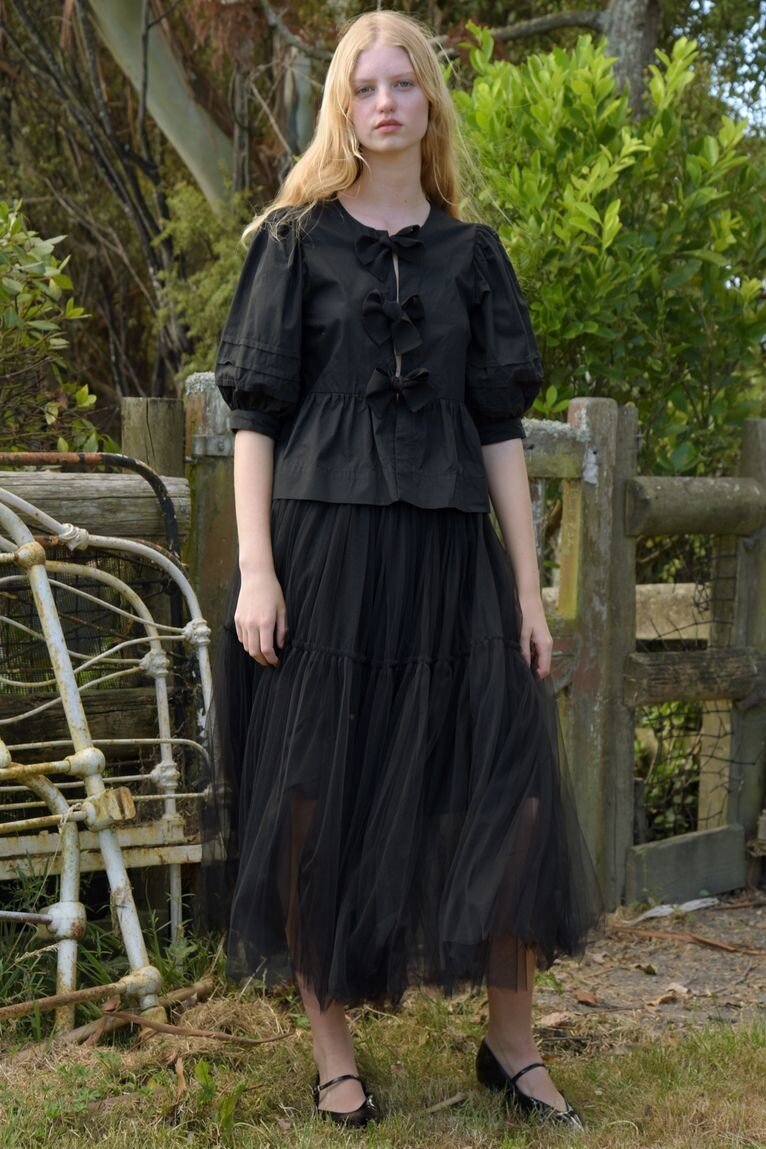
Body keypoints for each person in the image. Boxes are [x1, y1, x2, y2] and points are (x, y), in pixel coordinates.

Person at [207, 6, 604, 1132]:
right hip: (322, 558)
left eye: (405, 83)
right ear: (344, 105)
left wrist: (525, 590)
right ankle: (333, 1055)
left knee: (509, 784)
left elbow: (498, 432)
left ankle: (512, 1047)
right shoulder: (291, 242)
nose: (386, 102)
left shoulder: (473, 257)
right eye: (366, 85)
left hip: (447, 558)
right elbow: (255, 420)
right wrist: (256, 571)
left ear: (431, 104)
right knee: (313, 800)